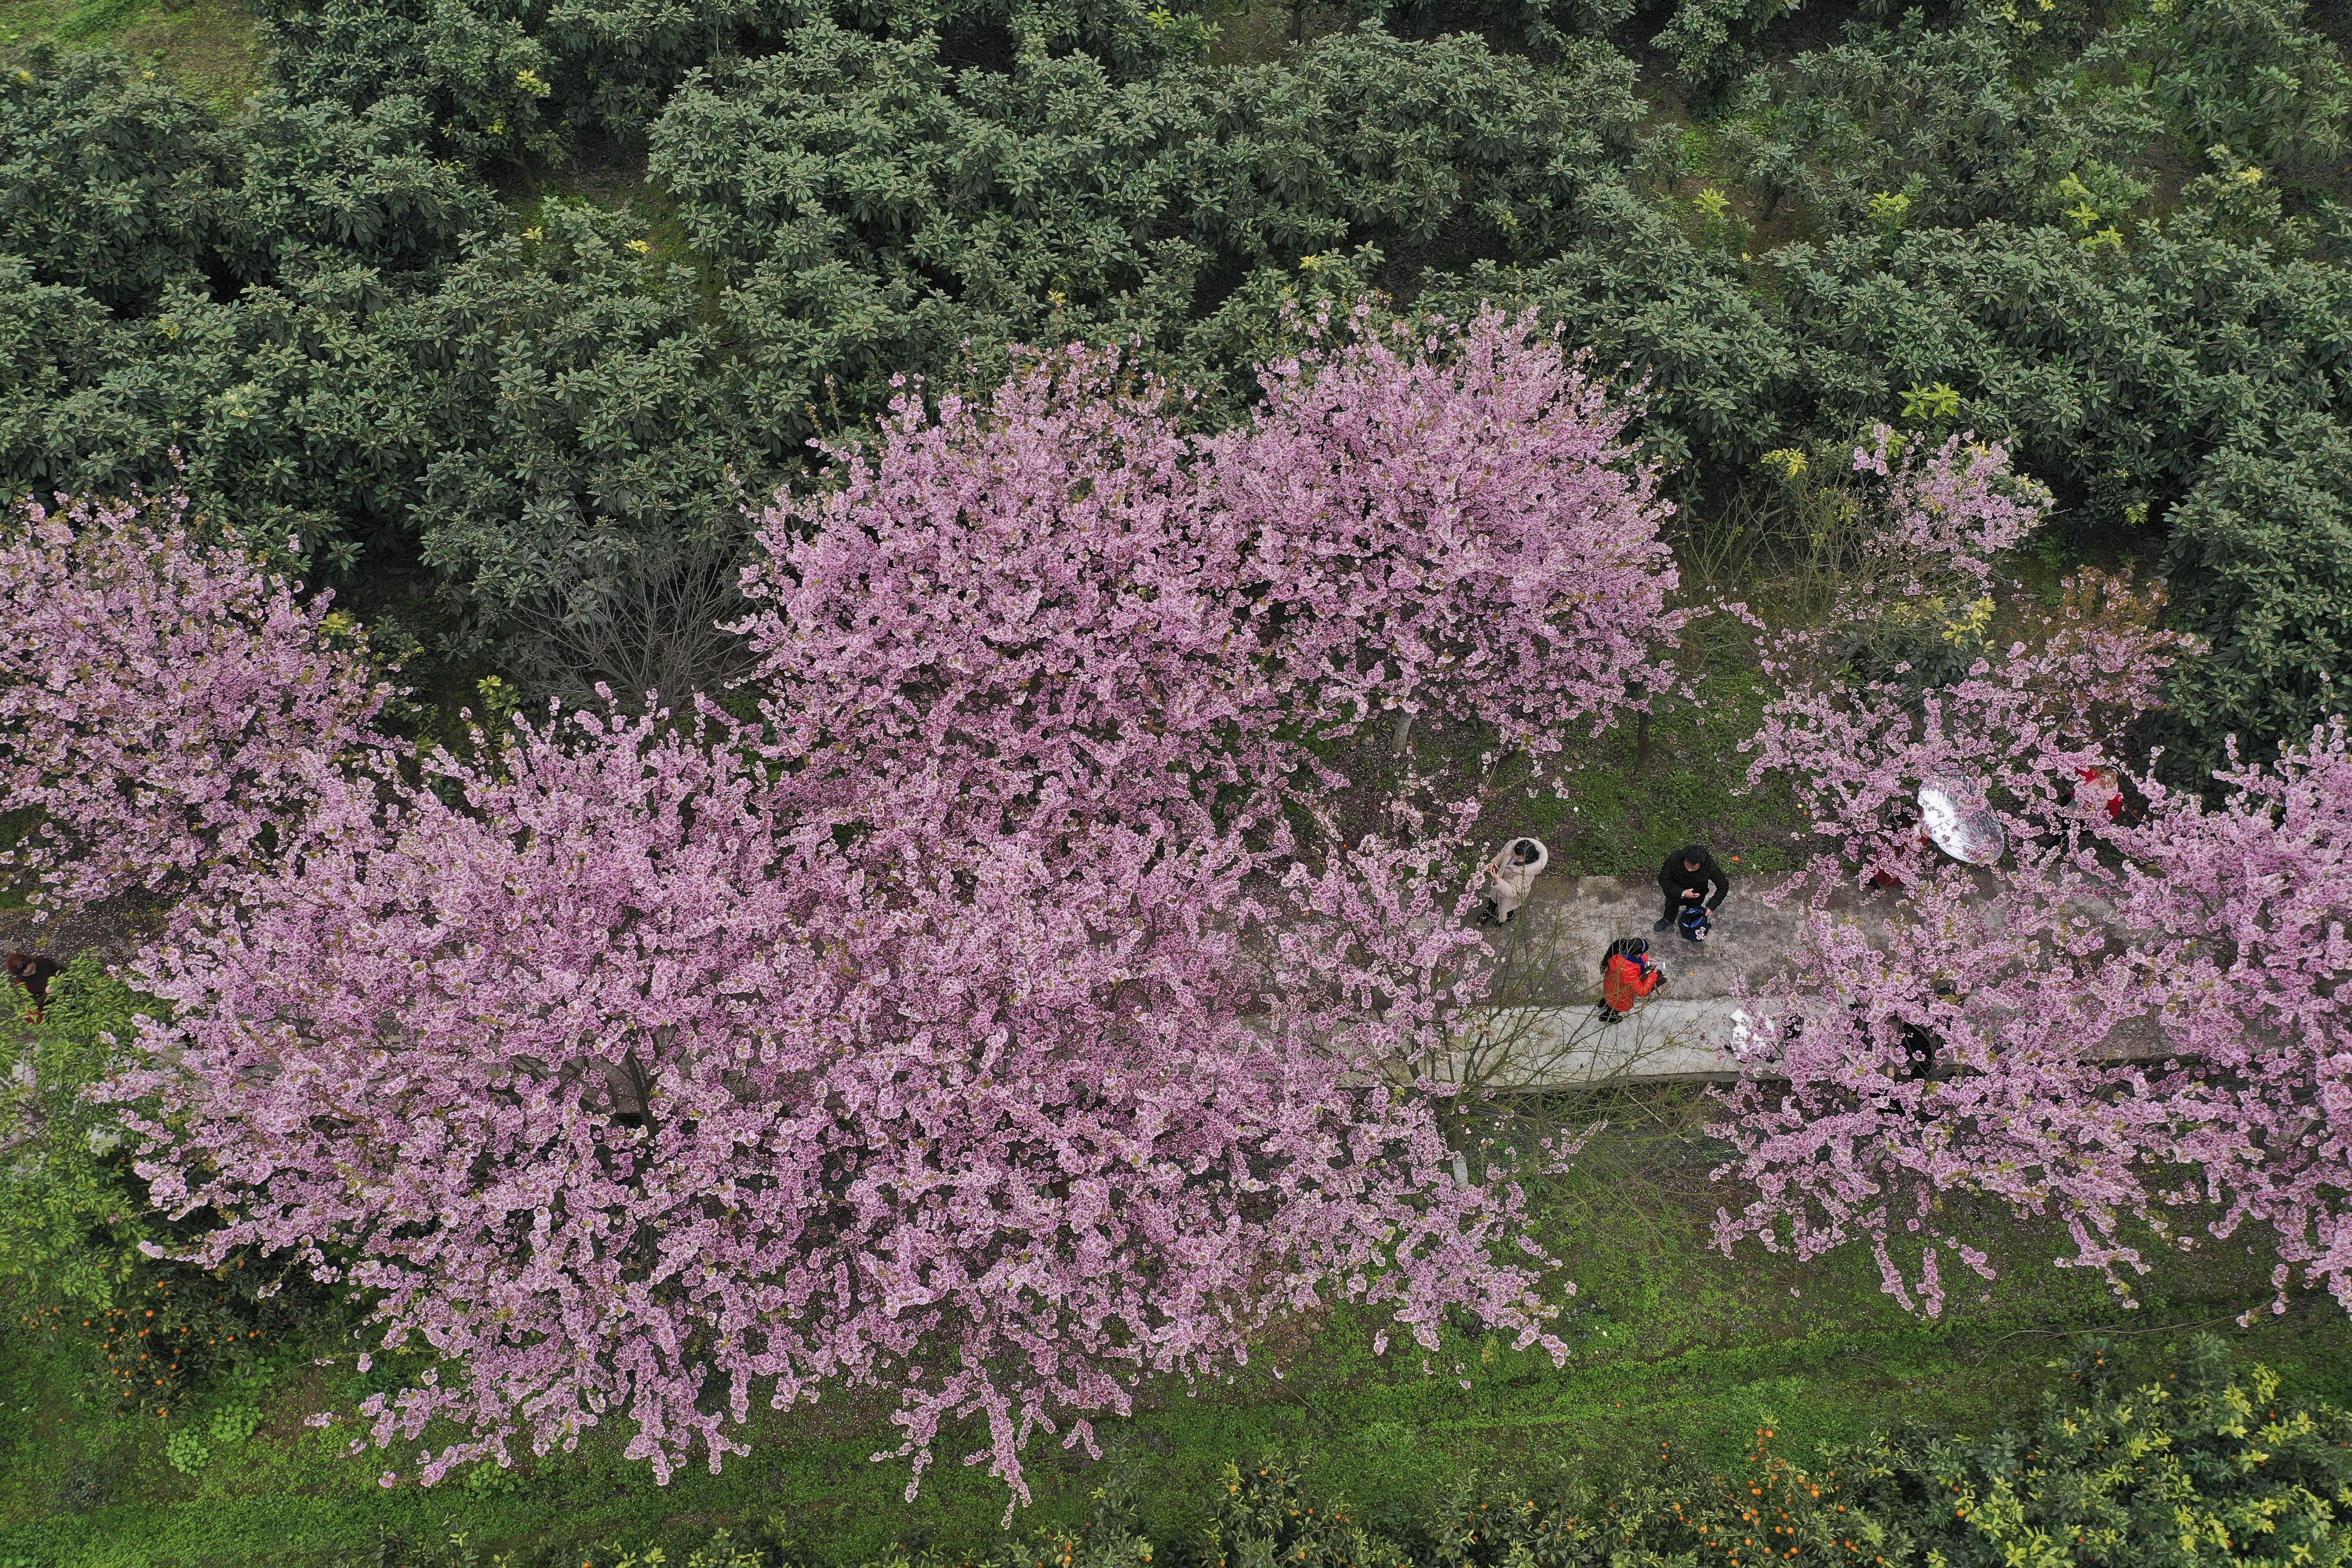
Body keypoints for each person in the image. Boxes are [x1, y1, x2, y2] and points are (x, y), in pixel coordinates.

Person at [1654, 844, 1730, 934]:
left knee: (1693, 914)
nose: (1690, 870)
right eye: (1688, 866)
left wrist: (1711, 906)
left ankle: (1692, 928)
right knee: (1670, 907)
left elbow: (1723, 886)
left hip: (1696, 897)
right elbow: (1663, 879)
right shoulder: (1676, 858)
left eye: (1694, 868)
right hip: (1674, 892)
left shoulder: (1710, 866)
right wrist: (1682, 893)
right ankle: (1668, 919)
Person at [1475, 837, 1549, 926]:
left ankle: (1503, 920)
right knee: (1493, 901)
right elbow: (1503, 854)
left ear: (1527, 859)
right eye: (1515, 854)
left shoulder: (1524, 876)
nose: (1515, 857)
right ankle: (1490, 912)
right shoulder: (1512, 849)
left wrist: (1498, 881)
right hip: (1501, 881)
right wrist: (1495, 863)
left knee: (1506, 908)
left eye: (1519, 858)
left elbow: (1511, 892)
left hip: (1510, 894)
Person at [1596, 936, 1666, 1022]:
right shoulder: (1629, 972)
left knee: (1609, 999)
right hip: (1620, 995)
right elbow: (1642, 992)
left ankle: (1603, 1003)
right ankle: (1607, 1017)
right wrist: (1653, 974)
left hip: (1611, 986)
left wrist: (1646, 960)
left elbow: (1634, 958)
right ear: (1639, 954)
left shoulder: (1619, 952)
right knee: (1617, 1007)